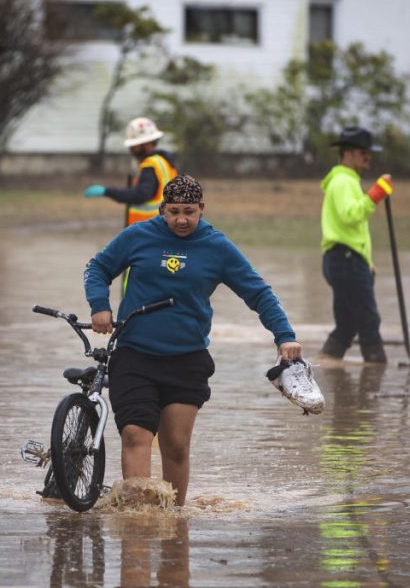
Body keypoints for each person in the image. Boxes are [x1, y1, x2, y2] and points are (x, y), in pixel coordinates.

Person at [83, 174, 302, 506]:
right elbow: (98, 267)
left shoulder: (217, 248)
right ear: (162, 209)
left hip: (186, 359)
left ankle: (172, 522)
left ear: (202, 208)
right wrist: (100, 306)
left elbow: (258, 293)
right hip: (134, 354)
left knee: (176, 445)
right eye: (173, 212)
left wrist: (284, 336)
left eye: (189, 211)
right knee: (134, 434)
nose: (181, 220)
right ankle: (138, 521)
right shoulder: (138, 235)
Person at [319, 126, 393, 363]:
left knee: (348, 323)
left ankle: (327, 363)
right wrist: (377, 193)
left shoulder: (346, 180)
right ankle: (375, 374)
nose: (368, 157)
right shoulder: (342, 181)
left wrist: (367, 263)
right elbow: (351, 216)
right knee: (369, 320)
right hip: (346, 260)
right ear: (348, 153)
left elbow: (353, 229)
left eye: (369, 152)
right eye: (363, 152)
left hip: (347, 260)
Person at [83, 117, 179, 225]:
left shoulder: (150, 165)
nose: (131, 149)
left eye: (134, 145)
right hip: (161, 225)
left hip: (148, 227)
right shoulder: (164, 162)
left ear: (144, 143)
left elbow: (141, 194)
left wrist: (107, 191)